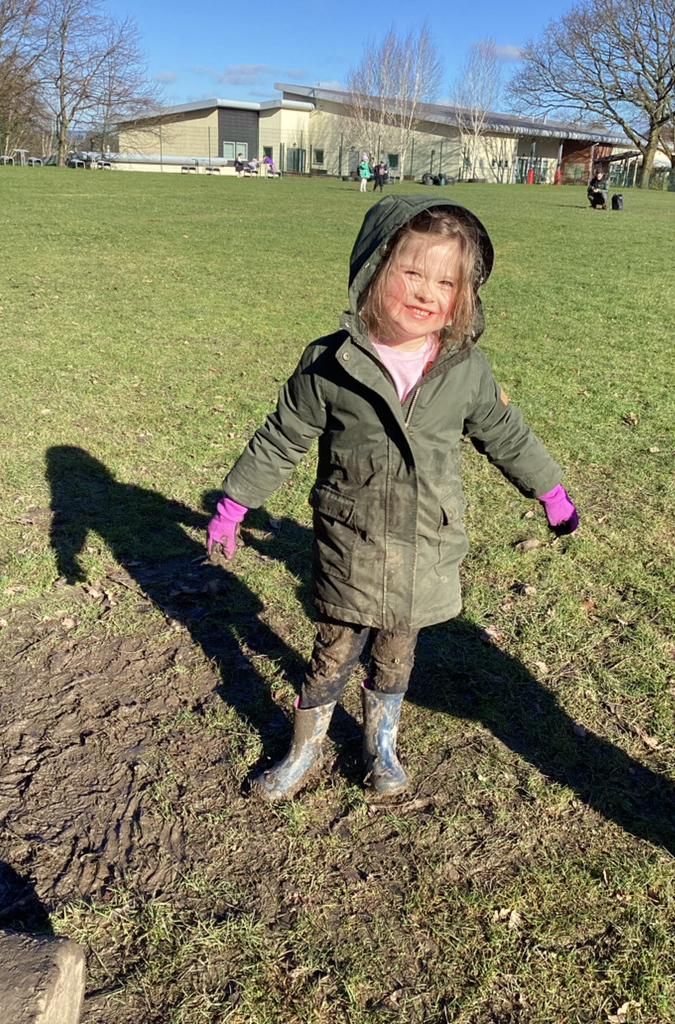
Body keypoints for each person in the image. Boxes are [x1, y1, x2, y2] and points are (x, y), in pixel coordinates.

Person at [206, 194, 579, 803]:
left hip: (424, 545)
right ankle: (304, 749)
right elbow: (281, 438)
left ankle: (380, 745)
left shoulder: (465, 369)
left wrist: (550, 490)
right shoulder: (330, 363)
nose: (426, 292)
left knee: (396, 653)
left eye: (446, 282)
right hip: (351, 543)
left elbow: (505, 433)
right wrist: (234, 505)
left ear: (465, 295)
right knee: (333, 652)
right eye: (412, 272)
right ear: (375, 270)